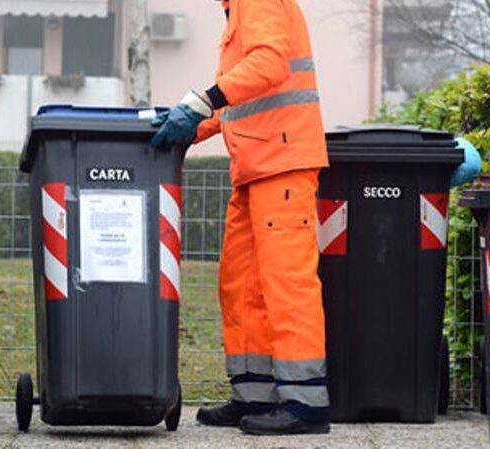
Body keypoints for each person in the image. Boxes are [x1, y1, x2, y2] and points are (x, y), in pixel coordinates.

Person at [151, 0, 330, 436]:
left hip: (282, 164)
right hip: (257, 168)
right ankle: (254, 393)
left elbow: (268, 65)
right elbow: (241, 98)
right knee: (242, 285)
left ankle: (305, 403)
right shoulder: (238, 11)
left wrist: (199, 102)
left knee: (286, 285)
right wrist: (194, 123)